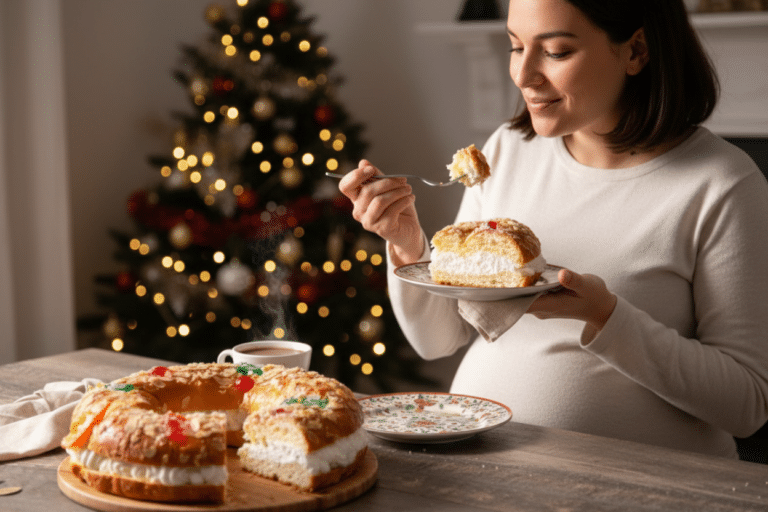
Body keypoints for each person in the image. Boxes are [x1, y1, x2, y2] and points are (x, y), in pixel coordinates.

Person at [337, 0, 768, 458]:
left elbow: (747, 405)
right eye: (515, 46)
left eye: (556, 51)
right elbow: (437, 340)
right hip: (480, 463)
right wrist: (407, 244)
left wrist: (605, 316)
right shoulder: (506, 151)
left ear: (636, 51)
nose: (523, 75)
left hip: (637, 481)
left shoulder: (721, 184)